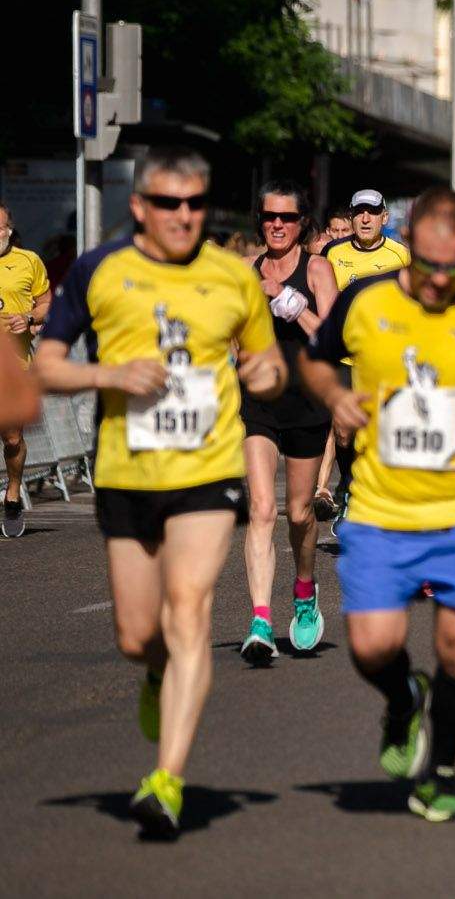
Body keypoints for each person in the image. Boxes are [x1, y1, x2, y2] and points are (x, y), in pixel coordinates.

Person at [34, 147, 287, 839]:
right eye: (170, 203)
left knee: (189, 609)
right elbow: (47, 366)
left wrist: (264, 375)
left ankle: (167, 779)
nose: (184, 215)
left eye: (196, 202)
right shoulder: (99, 270)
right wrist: (110, 375)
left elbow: (267, 364)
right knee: (137, 634)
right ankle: (154, 674)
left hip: (208, 470)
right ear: (141, 206)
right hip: (128, 471)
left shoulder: (232, 276)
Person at [301, 187, 455, 824]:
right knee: (371, 647)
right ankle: (405, 695)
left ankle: (442, 774)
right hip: (382, 509)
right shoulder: (366, 298)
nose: (439, 278)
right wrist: (336, 396)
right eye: (429, 263)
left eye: (453, 265)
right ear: (409, 244)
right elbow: (317, 362)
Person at [238, 183, 340, 663]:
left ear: (302, 223)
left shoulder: (317, 269)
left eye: (287, 217)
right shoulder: (247, 270)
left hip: (306, 403)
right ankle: (260, 621)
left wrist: (288, 301)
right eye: (268, 217)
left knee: (298, 514)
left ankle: (304, 590)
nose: (277, 225)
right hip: (259, 403)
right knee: (261, 509)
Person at [316, 189, 411, 527]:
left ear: (385, 217)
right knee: (343, 431)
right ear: (352, 217)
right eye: (359, 213)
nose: (366, 219)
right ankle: (349, 485)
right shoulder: (333, 253)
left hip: (385, 362)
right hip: (344, 358)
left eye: (372, 212)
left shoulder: (400, 254)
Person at [0, 202, 53, 538]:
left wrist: (30, 318)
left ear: (9, 229)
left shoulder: (28, 261)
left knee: (12, 438)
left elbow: (46, 302)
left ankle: (13, 492)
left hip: (13, 366)